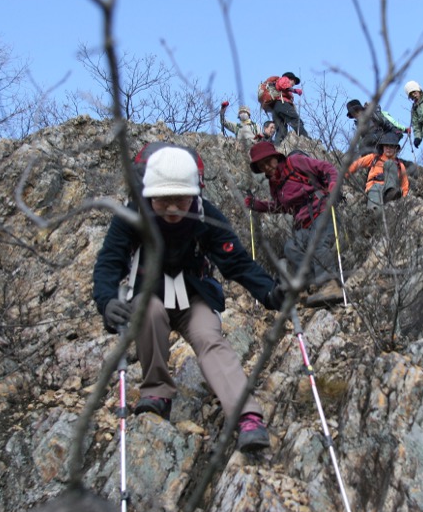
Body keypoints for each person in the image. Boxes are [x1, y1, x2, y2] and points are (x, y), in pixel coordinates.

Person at [93, 143, 285, 453]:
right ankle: (156, 392)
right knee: (147, 312)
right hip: (150, 293)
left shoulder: (206, 216)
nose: (171, 210)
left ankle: (247, 416)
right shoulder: (132, 215)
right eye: (163, 202)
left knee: (209, 337)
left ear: (194, 194)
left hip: (194, 294)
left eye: (179, 201)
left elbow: (235, 261)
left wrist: (268, 291)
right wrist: (106, 301)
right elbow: (110, 262)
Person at [245, 141, 342, 305]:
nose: (267, 167)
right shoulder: (274, 185)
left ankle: (330, 286)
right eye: (262, 166)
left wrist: (332, 183)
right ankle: (314, 285)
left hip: (322, 211)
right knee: (291, 248)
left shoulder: (295, 162)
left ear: (276, 157)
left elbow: (327, 168)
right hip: (303, 223)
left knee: (317, 243)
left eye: (268, 161)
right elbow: (281, 207)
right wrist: (257, 205)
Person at [347, 132, 409, 214]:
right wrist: (344, 175)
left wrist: (404, 199)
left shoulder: (399, 165)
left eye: (391, 146)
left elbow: (405, 184)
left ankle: (390, 192)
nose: (388, 148)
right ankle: (374, 215)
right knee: (375, 210)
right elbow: (357, 164)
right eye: (386, 146)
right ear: (382, 147)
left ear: (395, 149)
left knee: (390, 163)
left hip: (392, 190)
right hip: (374, 187)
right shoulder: (374, 158)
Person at [271, 72, 309, 145]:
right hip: (282, 104)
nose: (294, 84)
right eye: (294, 81)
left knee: (281, 129)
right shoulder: (284, 79)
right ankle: (305, 138)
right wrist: (295, 91)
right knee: (295, 120)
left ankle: (277, 146)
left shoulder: (283, 89)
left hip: (276, 107)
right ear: (291, 79)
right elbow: (283, 85)